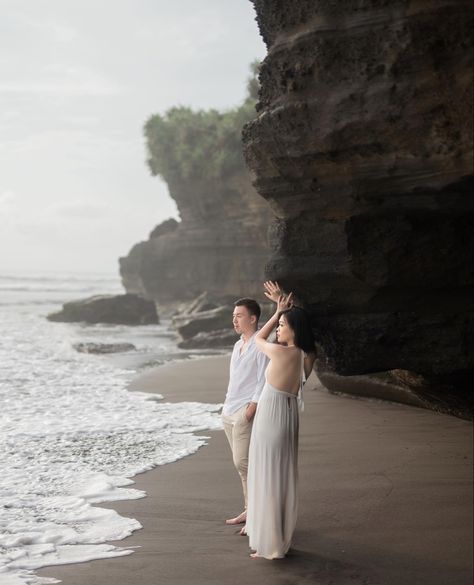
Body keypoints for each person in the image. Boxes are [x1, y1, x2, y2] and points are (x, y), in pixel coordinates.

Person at [246, 282, 316, 559]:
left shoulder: (280, 352)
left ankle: (270, 543)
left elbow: (256, 339)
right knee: (282, 475)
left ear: (294, 329)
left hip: (270, 417)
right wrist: (286, 311)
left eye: (283, 325)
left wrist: (276, 310)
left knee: (266, 476)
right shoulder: (308, 355)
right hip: (289, 417)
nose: (278, 328)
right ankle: (278, 538)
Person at [222, 298, 269, 529]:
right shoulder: (237, 344)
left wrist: (253, 406)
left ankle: (257, 513)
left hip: (244, 411)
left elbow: (263, 378)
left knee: (244, 463)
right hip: (229, 410)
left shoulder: (260, 344)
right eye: (233, 316)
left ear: (252, 318)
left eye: (239, 316)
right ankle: (250, 510)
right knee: (241, 466)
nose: (234, 320)